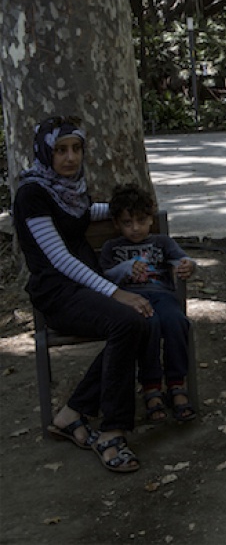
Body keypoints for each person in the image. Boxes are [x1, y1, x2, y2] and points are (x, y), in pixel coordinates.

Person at [14, 117, 151, 473]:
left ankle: (72, 412)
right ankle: (111, 431)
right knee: (127, 320)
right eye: (60, 150)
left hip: (84, 287)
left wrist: (130, 211)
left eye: (76, 149)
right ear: (45, 151)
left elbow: (82, 214)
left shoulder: (68, 189)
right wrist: (116, 292)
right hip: (58, 294)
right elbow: (58, 259)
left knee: (137, 321)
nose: (70, 158)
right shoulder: (31, 194)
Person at [100, 184, 198, 423]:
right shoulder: (112, 248)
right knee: (148, 325)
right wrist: (125, 269)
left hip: (163, 295)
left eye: (141, 221)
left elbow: (183, 259)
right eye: (127, 222)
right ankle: (151, 387)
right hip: (131, 300)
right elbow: (103, 278)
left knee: (176, 322)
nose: (135, 228)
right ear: (116, 224)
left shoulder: (161, 242)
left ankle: (177, 383)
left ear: (150, 219)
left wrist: (188, 265)